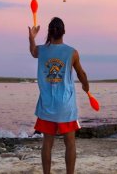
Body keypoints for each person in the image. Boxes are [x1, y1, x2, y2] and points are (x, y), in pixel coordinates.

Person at [28, 17, 90, 174]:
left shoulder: (42, 50)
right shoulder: (72, 52)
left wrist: (31, 38)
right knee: (70, 142)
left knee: (47, 143)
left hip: (47, 105)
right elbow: (81, 73)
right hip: (65, 106)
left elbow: (33, 52)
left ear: (49, 32)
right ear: (64, 32)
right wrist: (86, 86)